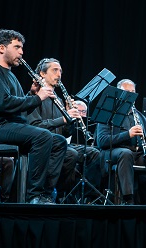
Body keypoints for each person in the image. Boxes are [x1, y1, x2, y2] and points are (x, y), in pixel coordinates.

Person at [0, 29, 67, 204]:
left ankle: (45, 193)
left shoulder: (11, 76)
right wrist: (38, 98)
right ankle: (34, 195)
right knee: (43, 136)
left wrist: (32, 95)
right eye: (17, 47)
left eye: (21, 48)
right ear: (2, 48)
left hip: (9, 126)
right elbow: (4, 104)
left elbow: (19, 110)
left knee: (58, 142)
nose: (21, 52)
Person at [27, 58, 103, 202]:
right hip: (42, 145)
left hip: (61, 144)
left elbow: (66, 133)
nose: (59, 74)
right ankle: (56, 195)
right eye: (54, 70)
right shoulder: (34, 97)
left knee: (94, 153)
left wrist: (70, 118)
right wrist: (63, 119)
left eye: (60, 71)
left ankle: (86, 198)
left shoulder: (59, 101)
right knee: (71, 154)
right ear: (42, 74)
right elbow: (36, 126)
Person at [95, 79, 146, 204]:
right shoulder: (108, 113)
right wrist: (128, 134)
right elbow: (101, 141)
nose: (130, 95)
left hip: (137, 154)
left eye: (133, 92)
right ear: (118, 93)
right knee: (125, 153)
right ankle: (128, 199)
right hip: (113, 153)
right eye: (126, 92)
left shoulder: (140, 116)